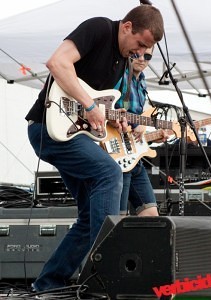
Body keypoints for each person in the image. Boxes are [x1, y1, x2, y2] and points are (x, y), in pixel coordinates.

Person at [25, 4, 164, 292]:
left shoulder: (123, 61)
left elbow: (102, 104)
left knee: (90, 216)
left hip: (78, 134)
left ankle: (48, 284)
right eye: (139, 44)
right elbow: (58, 63)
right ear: (127, 27)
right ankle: (105, 274)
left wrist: (118, 123)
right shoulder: (98, 28)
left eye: (145, 50)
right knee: (109, 173)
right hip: (48, 128)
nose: (139, 53)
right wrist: (89, 106)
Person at [112, 47, 165, 216]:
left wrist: (153, 137)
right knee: (116, 220)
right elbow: (103, 109)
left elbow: (136, 128)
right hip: (117, 155)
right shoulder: (118, 75)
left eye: (147, 56)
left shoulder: (142, 81)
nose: (142, 59)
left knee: (152, 217)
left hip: (134, 156)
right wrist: (133, 122)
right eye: (137, 54)